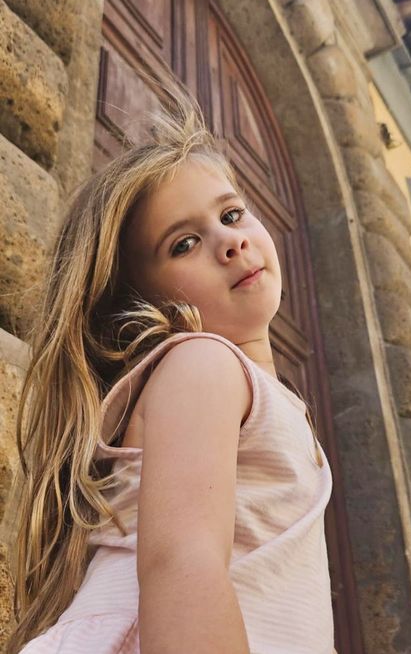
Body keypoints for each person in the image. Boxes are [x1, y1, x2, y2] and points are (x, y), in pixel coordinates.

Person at [7, 92, 336, 654]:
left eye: (231, 215)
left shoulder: (260, 394)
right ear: (139, 300)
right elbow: (183, 562)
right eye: (184, 243)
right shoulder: (202, 363)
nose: (229, 242)